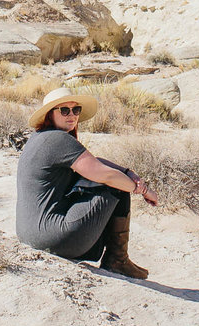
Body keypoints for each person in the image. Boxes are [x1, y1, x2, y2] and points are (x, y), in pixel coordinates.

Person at [16, 87, 156, 279]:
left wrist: (129, 173)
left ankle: (118, 259)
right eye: (64, 110)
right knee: (115, 183)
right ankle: (118, 260)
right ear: (50, 115)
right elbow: (104, 175)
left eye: (76, 110)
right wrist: (140, 189)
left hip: (29, 235)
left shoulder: (41, 137)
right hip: (53, 237)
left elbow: (94, 161)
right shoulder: (59, 140)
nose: (71, 115)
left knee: (113, 177)